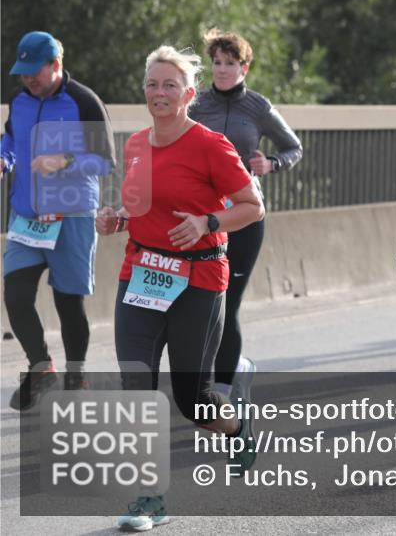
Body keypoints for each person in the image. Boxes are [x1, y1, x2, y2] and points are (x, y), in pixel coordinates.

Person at [96, 46, 264, 529]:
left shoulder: (211, 145)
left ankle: (237, 425)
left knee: (194, 401)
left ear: (189, 94)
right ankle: (150, 499)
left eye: (170, 84)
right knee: (136, 387)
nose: (160, 92)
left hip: (199, 279)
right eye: (152, 84)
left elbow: (253, 206)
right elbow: (138, 206)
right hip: (141, 274)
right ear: (144, 91)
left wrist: (208, 219)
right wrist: (117, 219)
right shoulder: (135, 146)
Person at [2, 31, 115, 409]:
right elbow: (10, 140)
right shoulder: (19, 101)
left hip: (71, 214)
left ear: (56, 65)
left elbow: (105, 161)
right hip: (27, 215)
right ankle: (41, 367)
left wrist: (64, 161)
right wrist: (4, 159)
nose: (28, 79)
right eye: (23, 72)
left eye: (35, 71)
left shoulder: (84, 101)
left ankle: (77, 374)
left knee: (69, 301)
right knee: (15, 294)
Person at [188, 29, 303, 403]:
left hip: (245, 215)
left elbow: (293, 147)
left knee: (228, 299)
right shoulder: (197, 104)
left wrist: (271, 163)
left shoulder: (257, 107)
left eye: (230, 63)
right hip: (202, 215)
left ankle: (222, 386)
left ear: (245, 67)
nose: (222, 70)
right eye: (217, 63)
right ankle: (206, 378)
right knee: (199, 299)